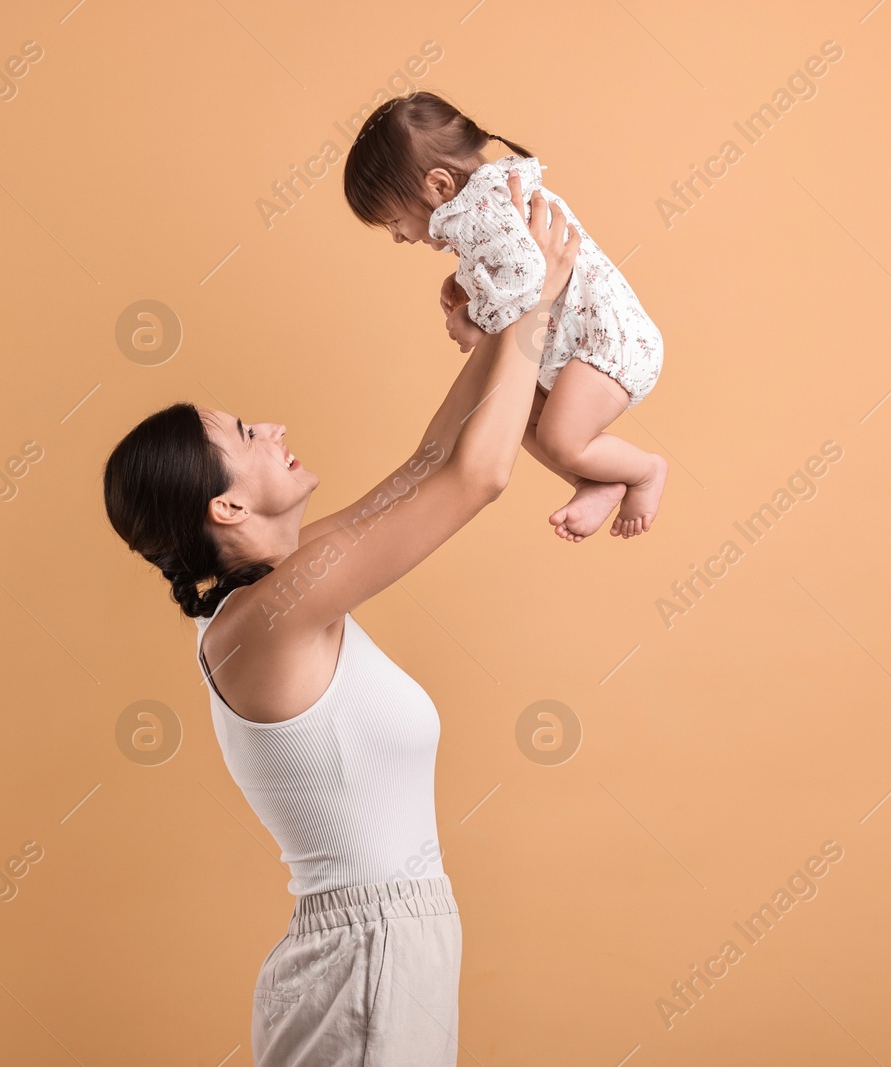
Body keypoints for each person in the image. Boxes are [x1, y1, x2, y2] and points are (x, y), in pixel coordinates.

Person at [102, 174, 580, 1065]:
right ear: (228, 510)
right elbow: (476, 478)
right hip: (366, 956)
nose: (272, 426)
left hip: (382, 946)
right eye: (245, 434)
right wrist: (535, 308)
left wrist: (503, 319)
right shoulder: (270, 616)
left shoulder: (284, 590)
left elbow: (433, 461)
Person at [344, 90, 668, 542]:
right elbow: (513, 263)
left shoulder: (484, 210)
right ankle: (593, 479)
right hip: (581, 343)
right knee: (513, 414)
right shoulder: (485, 201)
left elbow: (529, 276)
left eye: (394, 221)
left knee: (558, 438)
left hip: (607, 346)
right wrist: (467, 281)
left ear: (437, 186)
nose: (397, 237)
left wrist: (474, 318)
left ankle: (646, 471)